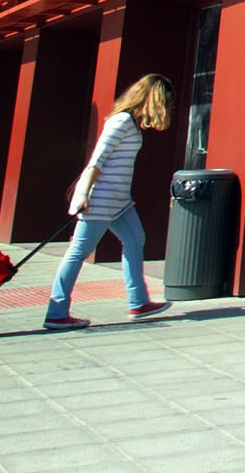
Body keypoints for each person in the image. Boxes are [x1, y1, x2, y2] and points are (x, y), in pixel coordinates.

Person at [44, 73, 173, 330]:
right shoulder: (121, 121)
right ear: (153, 97)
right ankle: (57, 312)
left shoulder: (132, 123)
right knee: (78, 252)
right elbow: (97, 159)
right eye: (166, 100)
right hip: (101, 200)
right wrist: (82, 195)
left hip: (120, 201)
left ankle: (139, 301)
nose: (168, 106)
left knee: (135, 239)